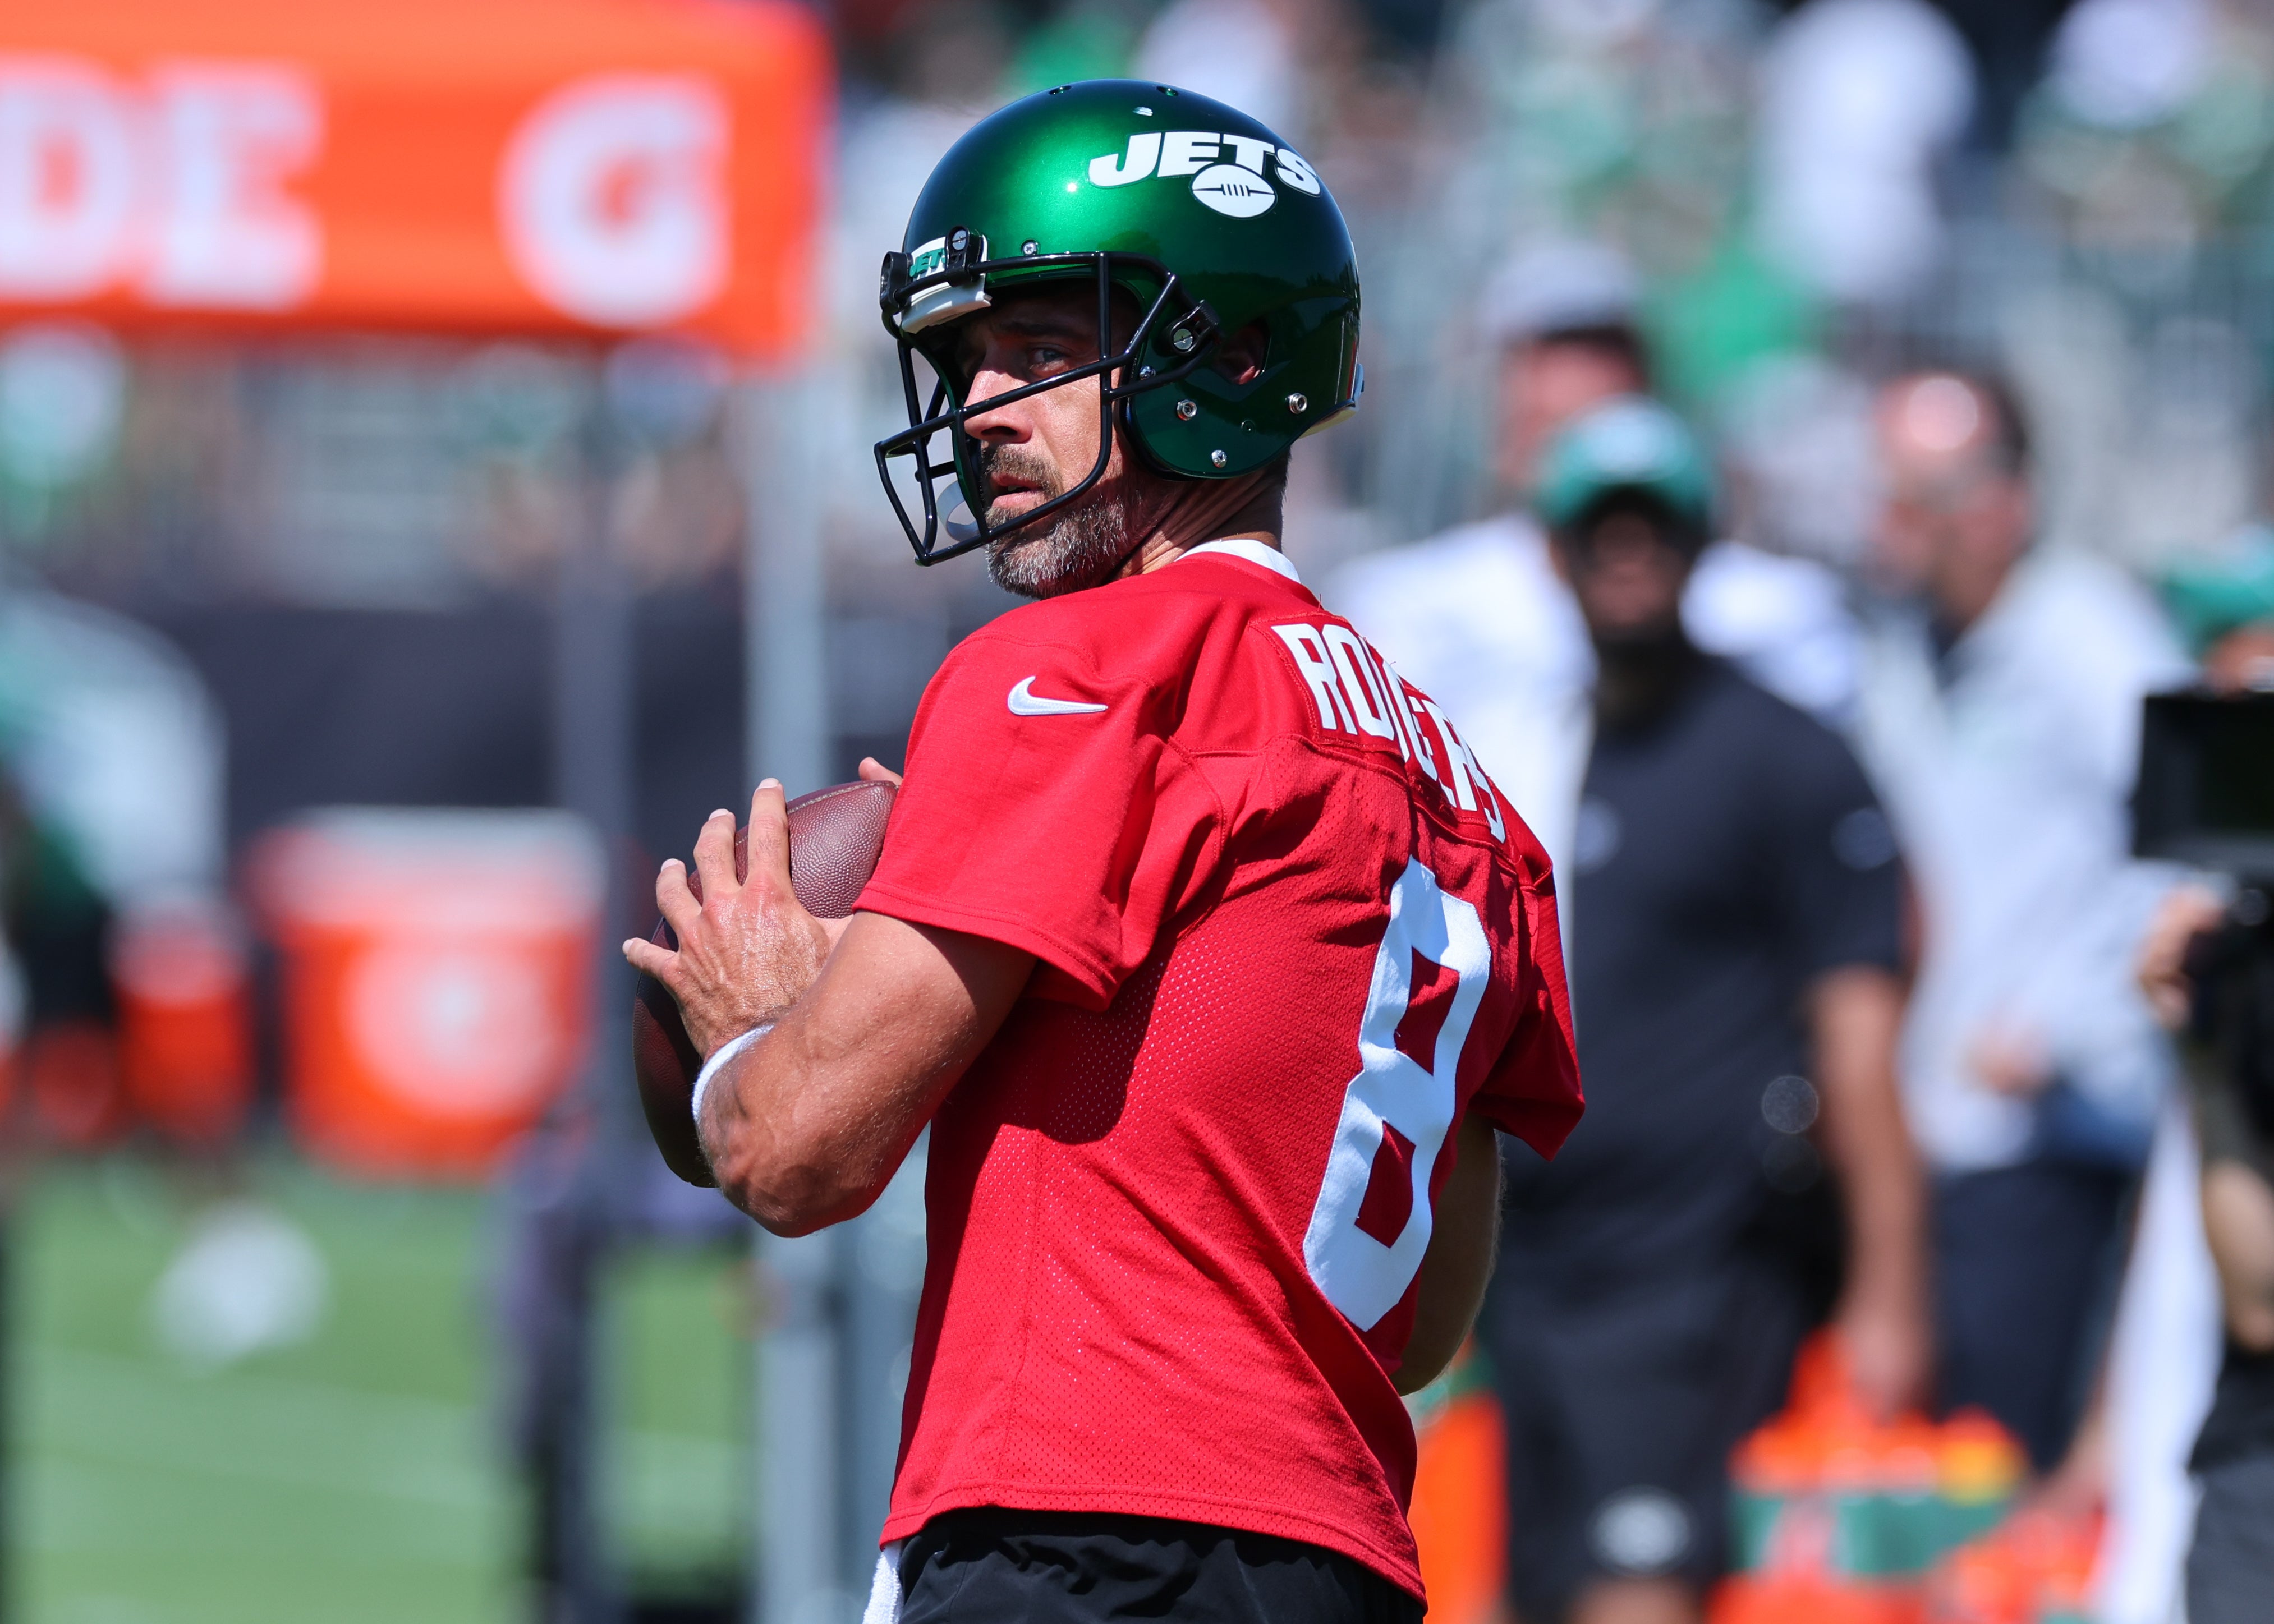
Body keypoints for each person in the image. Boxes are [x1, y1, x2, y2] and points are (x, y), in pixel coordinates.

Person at [625, 81, 1583, 1624]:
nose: (980, 409)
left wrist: (749, 1019)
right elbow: (1413, 1321)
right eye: (965, 362)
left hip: (1076, 1534)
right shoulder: (1470, 799)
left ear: (1222, 354)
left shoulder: (1092, 667)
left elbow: (793, 1153)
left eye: (1046, 352)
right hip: (1333, 1559)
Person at [1479, 398, 1927, 1624]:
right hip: (1538, 1258)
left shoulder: (1785, 757)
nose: (1626, 553)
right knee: (1525, 1581)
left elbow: (1859, 1037)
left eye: (1654, 528)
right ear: (1552, 551)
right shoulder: (1539, 740)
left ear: (1699, 543)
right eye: (1598, 530)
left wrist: (1888, 1291)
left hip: (1692, 1258)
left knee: (1642, 1587)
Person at [1853, 369, 2194, 1473]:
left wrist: (2060, 1027)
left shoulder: (2087, 639)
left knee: (2006, 1474)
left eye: (1927, 493)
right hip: (1933, 1135)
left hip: (2042, 1142)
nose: (1900, 523)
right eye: (1891, 491)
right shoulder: (1901, 652)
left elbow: (2186, 849)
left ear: (2006, 497)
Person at [1326, 240, 1859, 875]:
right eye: (1536, 361)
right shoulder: (1407, 609)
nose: (1570, 385)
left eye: (1604, 357)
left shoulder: (1776, 614)